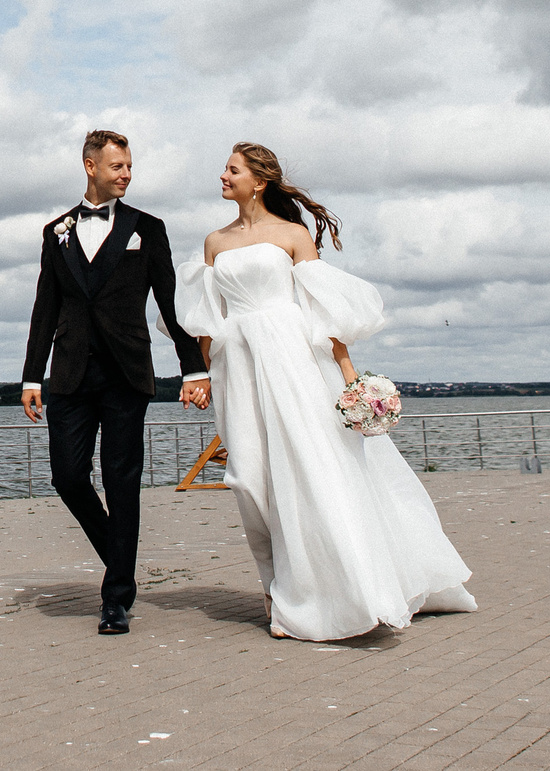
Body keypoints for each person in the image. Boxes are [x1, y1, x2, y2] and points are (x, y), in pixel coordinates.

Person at [178, 142, 477, 641]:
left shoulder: (293, 235)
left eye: (232, 170)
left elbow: (324, 309)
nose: (223, 177)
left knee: (312, 472)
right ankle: (276, 583)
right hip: (239, 368)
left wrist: (349, 376)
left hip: (294, 361)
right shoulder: (214, 242)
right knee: (250, 479)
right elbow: (208, 321)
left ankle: (312, 595)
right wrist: (204, 375)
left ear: (259, 181)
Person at [20, 128, 212, 636]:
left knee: (121, 481)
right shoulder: (55, 231)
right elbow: (45, 309)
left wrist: (194, 368)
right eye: (117, 166)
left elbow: (170, 303)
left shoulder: (148, 228)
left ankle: (116, 599)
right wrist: (31, 376)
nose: (126, 174)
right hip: (69, 374)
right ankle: (120, 557)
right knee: (67, 477)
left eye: (129, 166)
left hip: (126, 374)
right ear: (91, 167)